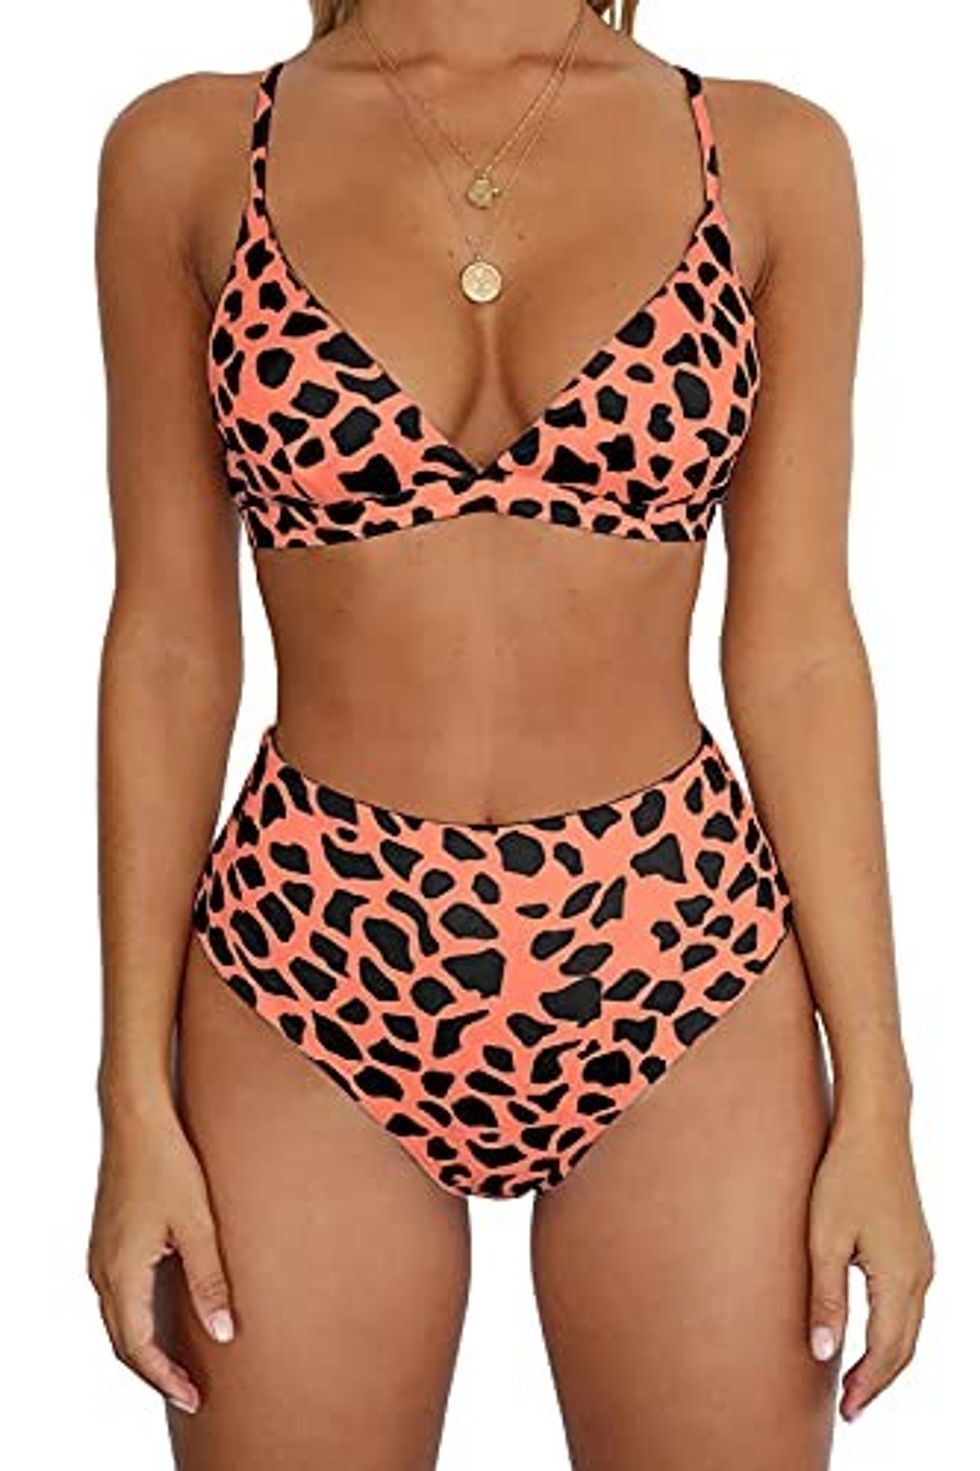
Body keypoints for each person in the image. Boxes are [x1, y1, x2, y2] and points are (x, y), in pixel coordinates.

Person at [87, 2, 934, 1467]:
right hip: (309, 949)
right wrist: (127, 1098)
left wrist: (882, 1097)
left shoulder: (772, 157)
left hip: (680, 948)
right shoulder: (191, 150)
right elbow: (166, 646)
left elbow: (799, 648)